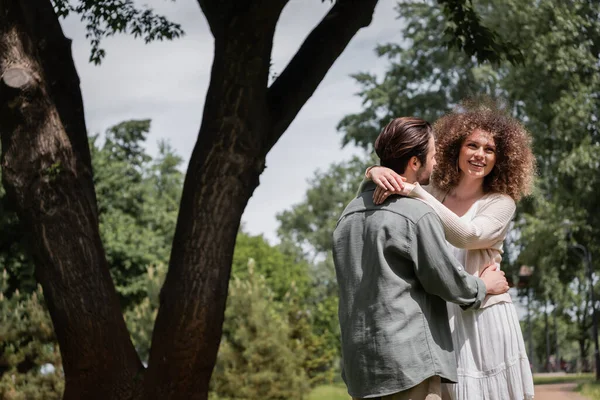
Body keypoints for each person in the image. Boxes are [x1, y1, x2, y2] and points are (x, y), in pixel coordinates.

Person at [366, 101, 536, 400]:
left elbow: (467, 235)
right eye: (472, 145)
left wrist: (414, 191)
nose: (479, 155)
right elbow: (402, 179)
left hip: (485, 317)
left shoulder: (501, 203)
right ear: (456, 148)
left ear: (501, 158)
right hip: (443, 317)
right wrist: (374, 170)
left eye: (489, 149)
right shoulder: (435, 193)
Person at [333, 117, 510, 400]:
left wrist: (372, 171)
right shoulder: (417, 214)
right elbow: (446, 281)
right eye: (433, 155)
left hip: (360, 367)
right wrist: (484, 286)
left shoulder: (347, 216)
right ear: (415, 162)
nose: (437, 161)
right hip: (408, 365)